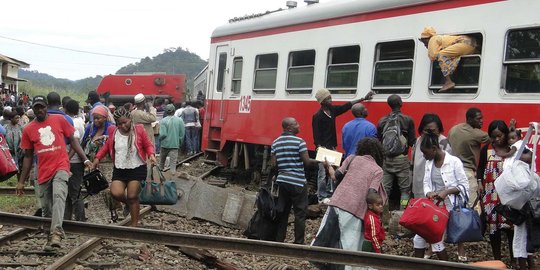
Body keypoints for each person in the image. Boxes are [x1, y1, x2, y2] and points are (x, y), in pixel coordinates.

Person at [17, 96, 92, 249]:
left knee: (59, 196)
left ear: (46, 106)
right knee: (46, 208)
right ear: (33, 108)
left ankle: (56, 233)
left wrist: (85, 159)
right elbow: (28, 156)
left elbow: (73, 140)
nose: (40, 110)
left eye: (42, 107)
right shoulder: (28, 129)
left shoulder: (59, 120)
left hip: (61, 166)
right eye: (36, 107)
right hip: (43, 171)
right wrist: (21, 181)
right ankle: (49, 236)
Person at [318, 138, 387, 263]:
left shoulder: (352, 158)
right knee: (349, 245)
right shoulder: (378, 170)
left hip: (336, 202)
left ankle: (321, 262)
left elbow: (334, 176)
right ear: (378, 154)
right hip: (354, 210)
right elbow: (372, 193)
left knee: (327, 237)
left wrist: (328, 166)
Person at [92, 107, 156, 226]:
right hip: (120, 168)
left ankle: (134, 225)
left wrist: (151, 155)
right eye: (119, 123)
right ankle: (131, 204)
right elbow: (106, 146)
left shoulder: (139, 130)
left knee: (132, 195)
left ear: (130, 120)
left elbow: (148, 145)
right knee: (115, 193)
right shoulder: (113, 131)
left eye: (124, 122)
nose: (122, 126)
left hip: (137, 167)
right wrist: (97, 158)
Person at [412, 132, 469, 261]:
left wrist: (446, 192)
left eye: (426, 153)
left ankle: (443, 264)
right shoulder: (429, 163)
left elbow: (464, 186)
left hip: (451, 206)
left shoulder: (454, 162)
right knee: (421, 238)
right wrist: (429, 193)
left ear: (434, 149)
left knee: (435, 238)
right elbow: (426, 183)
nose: (424, 157)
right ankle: (418, 265)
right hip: (435, 206)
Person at [312, 88, 374, 203]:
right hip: (323, 148)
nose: (330, 99)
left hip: (332, 147)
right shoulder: (317, 116)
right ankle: (321, 196)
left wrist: (363, 98)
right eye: (328, 98)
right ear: (322, 101)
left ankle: (331, 194)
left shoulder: (332, 110)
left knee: (334, 172)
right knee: (322, 173)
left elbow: (347, 106)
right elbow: (316, 134)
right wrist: (319, 147)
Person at [271, 117, 317, 244]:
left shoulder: (275, 142)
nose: (299, 125)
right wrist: (321, 161)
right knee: (300, 213)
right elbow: (307, 162)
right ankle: (298, 242)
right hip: (297, 182)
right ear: (289, 128)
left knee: (283, 212)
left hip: (282, 181)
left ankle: (279, 240)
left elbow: (274, 165)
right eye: (296, 124)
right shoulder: (299, 142)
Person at [477, 120, 515, 265]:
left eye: (500, 136)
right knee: (493, 228)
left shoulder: (512, 149)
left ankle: (513, 259)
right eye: (494, 136)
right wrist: (479, 183)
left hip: (508, 195)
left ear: (505, 135)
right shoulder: (486, 149)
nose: (497, 139)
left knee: (510, 227)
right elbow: (480, 168)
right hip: (490, 194)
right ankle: (497, 259)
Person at [377, 94, 415, 209]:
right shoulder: (408, 120)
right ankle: (402, 211)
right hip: (402, 160)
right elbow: (412, 141)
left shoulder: (382, 121)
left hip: (387, 160)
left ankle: (384, 214)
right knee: (404, 191)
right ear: (400, 103)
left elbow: (379, 140)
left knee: (385, 190)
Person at [448, 107, 489, 208]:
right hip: (467, 173)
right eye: (478, 119)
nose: (481, 121)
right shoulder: (476, 133)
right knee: (472, 205)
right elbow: (494, 137)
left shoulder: (454, 129)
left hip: (452, 172)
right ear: (470, 119)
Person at [419, 26, 477, 92]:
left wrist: (432, 50)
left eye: (424, 41)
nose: (424, 44)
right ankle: (469, 81)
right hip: (471, 44)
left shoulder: (433, 39)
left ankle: (448, 82)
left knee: (441, 55)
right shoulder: (440, 39)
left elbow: (433, 56)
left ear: (428, 38)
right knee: (450, 58)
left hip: (465, 43)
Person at [412, 113, 452, 198]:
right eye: (427, 130)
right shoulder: (418, 141)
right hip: (419, 185)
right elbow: (412, 164)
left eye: (433, 131)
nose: (430, 134)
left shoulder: (443, 142)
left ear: (439, 129)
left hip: (437, 188)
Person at [64, 99, 86, 221]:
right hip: (78, 161)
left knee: (73, 193)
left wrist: (66, 159)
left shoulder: (70, 122)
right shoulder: (80, 121)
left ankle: (80, 219)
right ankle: (68, 218)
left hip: (71, 161)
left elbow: (74, 143)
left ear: (65, 109)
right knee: (72, 192)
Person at [159, 104, 185, 176]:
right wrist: (179, 143)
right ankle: (172, 180)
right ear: (174, 111)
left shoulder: (163, 121)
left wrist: (160, 140)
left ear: (166, 112)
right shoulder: (180, 121)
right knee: (173, 165)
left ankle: (159, 178)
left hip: (164, 145)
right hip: (174, 145)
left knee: (161, 163)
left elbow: (163, 134)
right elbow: (182, 134)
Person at [3, 111, 23, 181]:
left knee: (20, 168)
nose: (18, 119)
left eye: (18, 118)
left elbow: (23, 138)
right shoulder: (5, 127)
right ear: (11, 119)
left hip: (19, 152)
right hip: (9, 152)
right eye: (16, 118)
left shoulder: (20, 127)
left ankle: (19, 181)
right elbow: (3, 138)